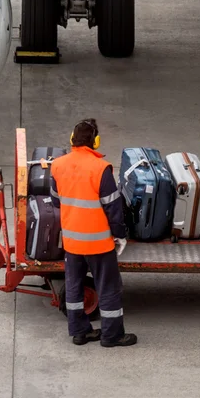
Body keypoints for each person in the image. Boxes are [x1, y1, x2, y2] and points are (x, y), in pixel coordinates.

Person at [50, 119, 137, 347]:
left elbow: (55, 200)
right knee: (108, 288)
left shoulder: (58, 165)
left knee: (74, 288)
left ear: (72, 139)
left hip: (72, 243)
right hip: (99, 244)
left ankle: (80, 332)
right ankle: (112, 336)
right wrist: (120, 234)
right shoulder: (101, 168)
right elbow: (113, 208)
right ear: (95, 141)